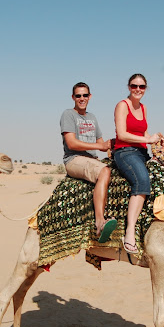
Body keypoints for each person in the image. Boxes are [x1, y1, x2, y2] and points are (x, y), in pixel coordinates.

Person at [113, 74, 164, 254]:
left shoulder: (143, 108)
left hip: (141, 152)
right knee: (142, 180)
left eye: (142, 86)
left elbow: (144, 133)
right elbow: (121, 134)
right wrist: (147, 139)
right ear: (128, 87)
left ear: (145, 88)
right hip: (125, 151)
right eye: (134, 86)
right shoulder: (122, 105)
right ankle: (129, 232)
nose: (138, 89)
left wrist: (156, 140)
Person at [61, 82, 117, 243]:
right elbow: (71, 143)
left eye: (85, 95)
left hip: (93, 160)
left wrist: (112, 144)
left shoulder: (92, 118)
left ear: (90, 96)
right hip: (74, 159)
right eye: (78, 96)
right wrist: (100, 145)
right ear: (73, 97)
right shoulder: (68, 115)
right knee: (104, 171)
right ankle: (99, 224)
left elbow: (101, 143)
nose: (82, 98)